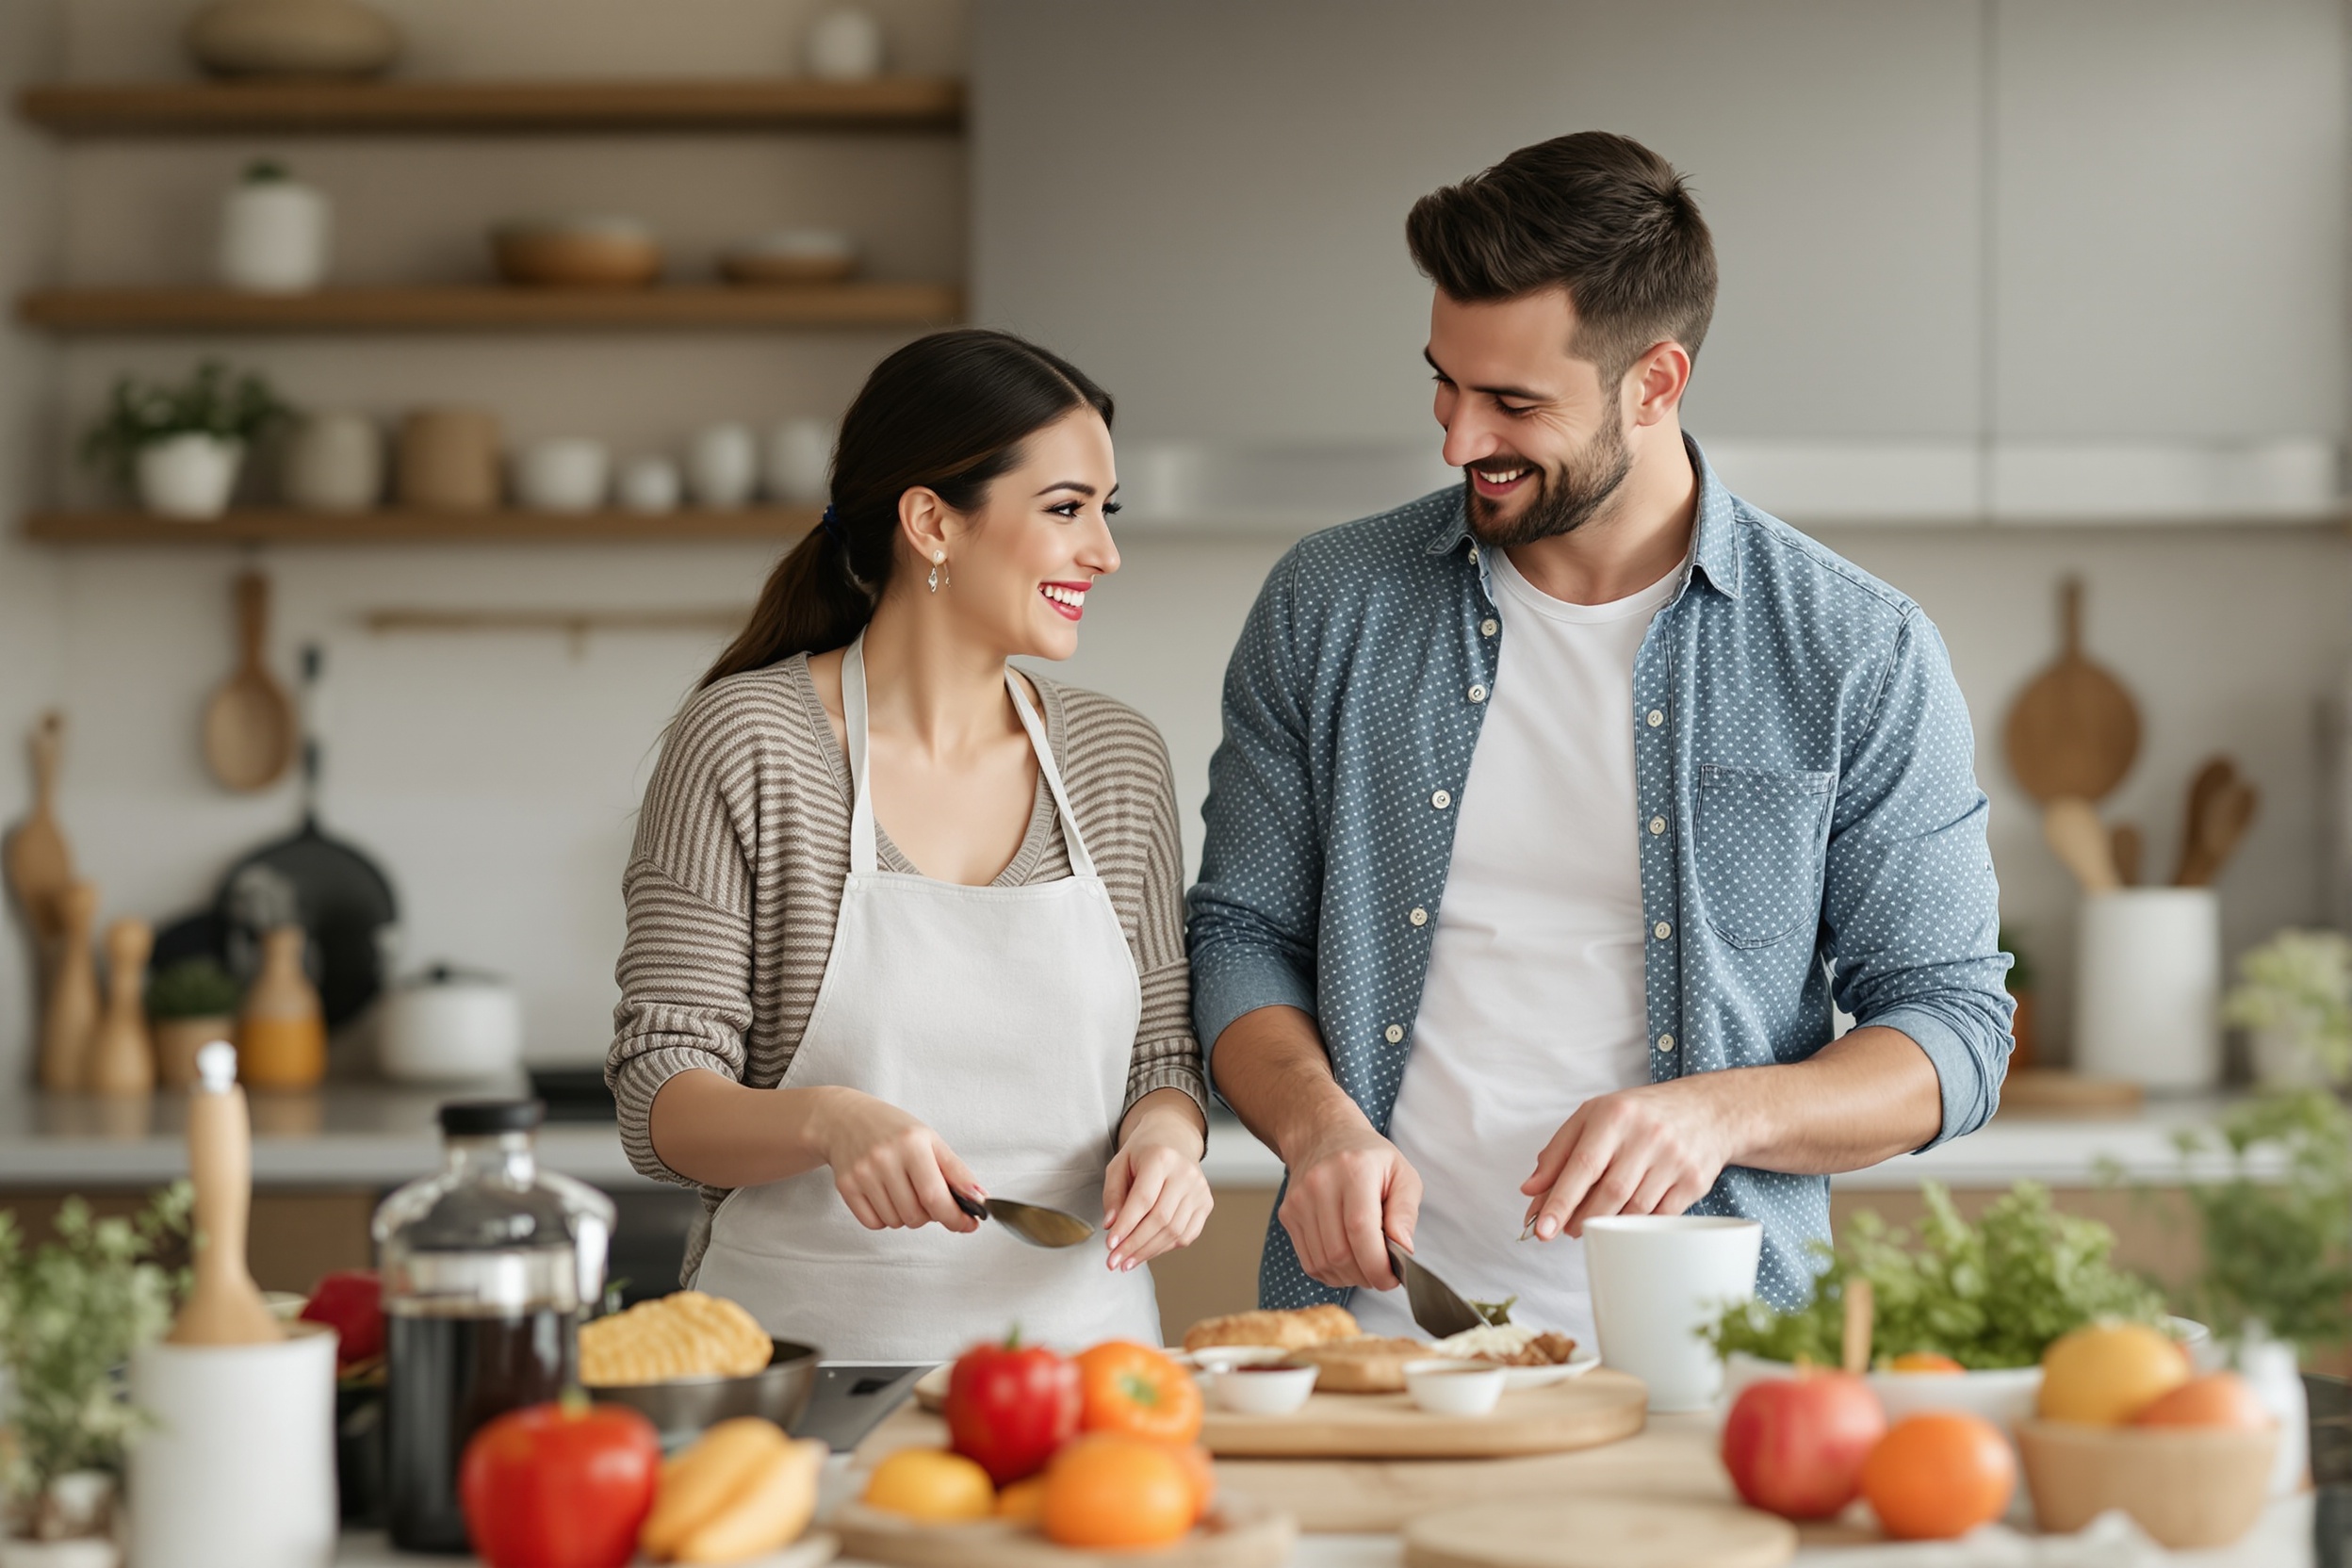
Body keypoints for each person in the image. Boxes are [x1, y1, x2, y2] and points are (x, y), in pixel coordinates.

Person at [1189, 132, 2012, 1347]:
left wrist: (1718, 1115)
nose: (1460, 439)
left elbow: (1952, 1028)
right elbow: (1243, 933)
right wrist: (1316, 1125)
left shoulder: (1854, 648)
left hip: (1717, 1356)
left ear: (1655, 382)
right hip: (1369, 1342)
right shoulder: (1331, 603)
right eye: (1444, 382)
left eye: (1514, 403)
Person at [610, 329, 1212, 1360]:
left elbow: (1161, 1049)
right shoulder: (753, 741)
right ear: (932, 521)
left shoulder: (1117, 758)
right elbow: (659, 1091)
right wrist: (828, 1121)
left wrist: (1167, 1137)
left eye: (1106, 513)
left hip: (1084, 1371)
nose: (1105, 552)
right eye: (1067, 510)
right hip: (801, 1374)